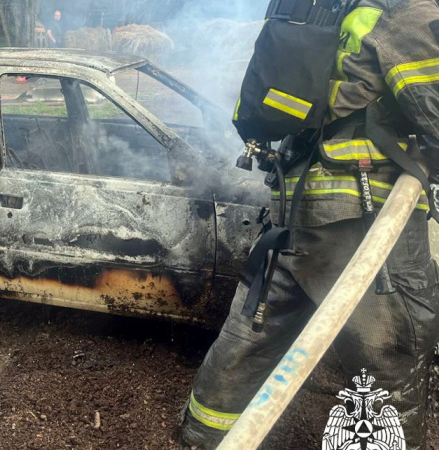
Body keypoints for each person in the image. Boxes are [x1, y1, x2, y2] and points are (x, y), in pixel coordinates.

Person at [178, 0, 439, 449]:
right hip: (362, 213)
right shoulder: (406, 11)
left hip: (293, 200)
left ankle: (206, 433)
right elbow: (432, 107)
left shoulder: (326, 12)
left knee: (256, 328)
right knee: (394, 347)